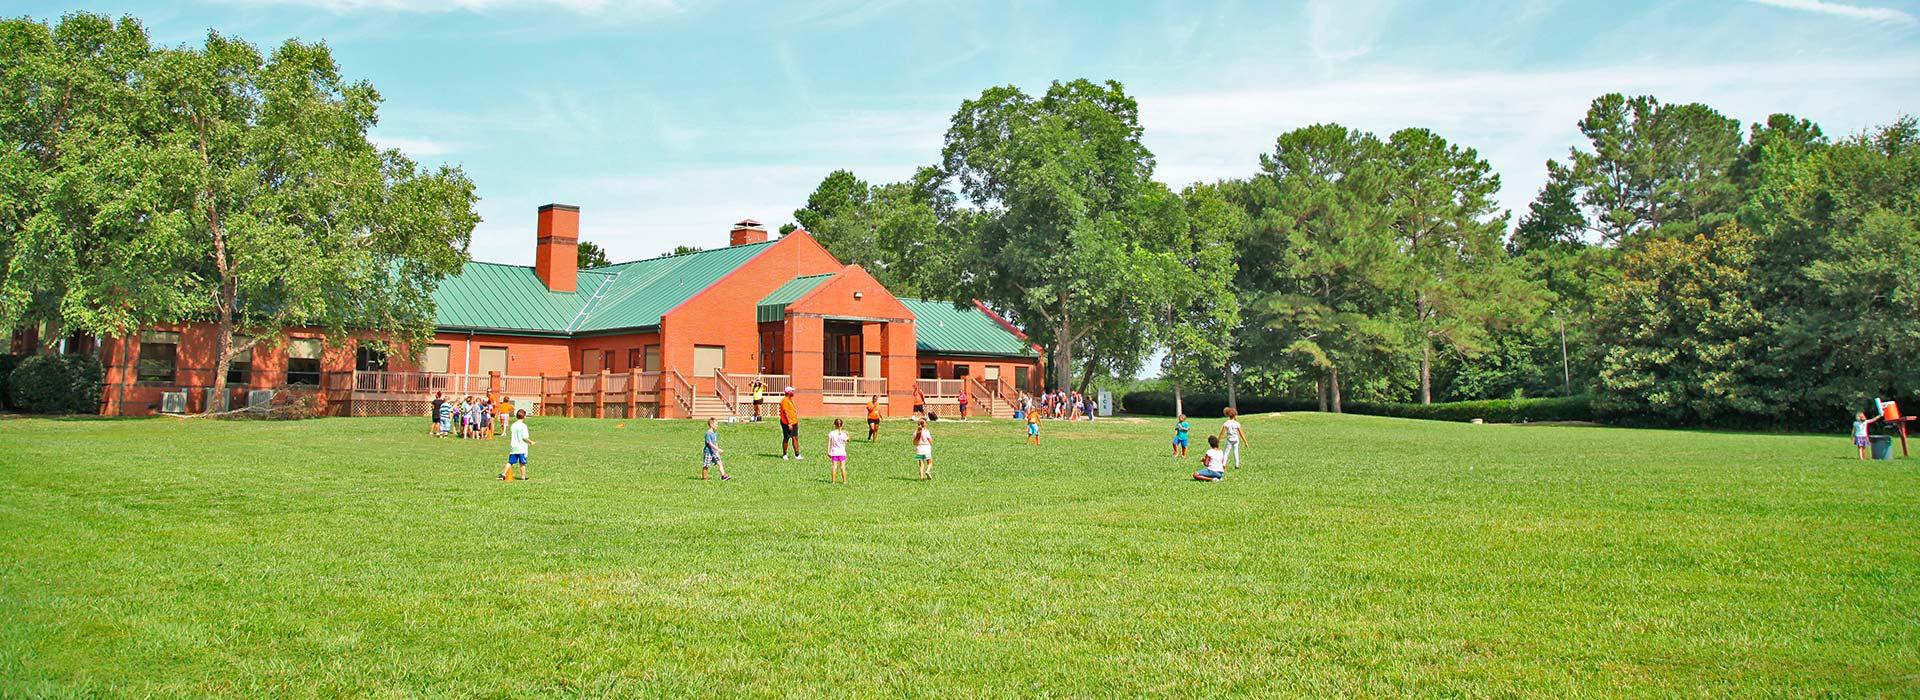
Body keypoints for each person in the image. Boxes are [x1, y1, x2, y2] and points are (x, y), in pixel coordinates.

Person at [500, 409, 533, 481]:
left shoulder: (513, 425)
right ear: (524, 416)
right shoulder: (524, 426)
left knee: (510, 462)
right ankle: (523, 477)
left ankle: (503, 474)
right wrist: (530, 442)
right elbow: (524, 437)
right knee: (522, 463)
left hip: (514, 447)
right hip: (522, 448)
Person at [779, 387, 803, 460]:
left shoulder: (790, 400)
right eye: (792, 391)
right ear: (788, 392)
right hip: (786, 423)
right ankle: (784, 454)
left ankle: (797, 455)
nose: (793, 392)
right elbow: (785, 412)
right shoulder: (785, 400)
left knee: (795, 437)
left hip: (794, 422)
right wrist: (789, 423)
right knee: (786, 438)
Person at [827, 418, 851, 484]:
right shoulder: (843, 434)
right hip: (842, 452)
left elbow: (829, 443)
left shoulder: (831, 433)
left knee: (834, 466)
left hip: (834, 452)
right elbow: (848, 440)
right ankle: (844, 481)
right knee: (842, 466)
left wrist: (828, 451)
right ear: (842, 425)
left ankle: (833, 481)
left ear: (835, 425)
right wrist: (848, 434)